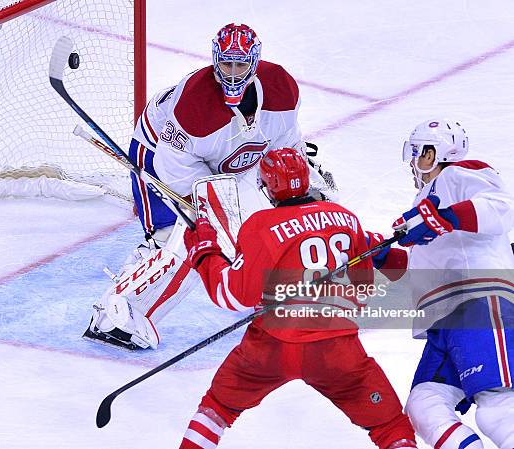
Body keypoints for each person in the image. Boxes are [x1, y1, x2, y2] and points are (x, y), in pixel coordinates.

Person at [83, 23, 337, 350]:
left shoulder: (282, 89)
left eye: (240, 64)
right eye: (226, 64)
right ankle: (120, 315)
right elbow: (173, 168)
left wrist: (291, 183)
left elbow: (285, 141)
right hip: (160, 150)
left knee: (276, 218)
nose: (232, 73)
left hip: (232, 157)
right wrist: (208, 216)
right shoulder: (194, 106)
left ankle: (284, 288)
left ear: (255, 63)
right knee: (185, 238)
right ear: (215, 61)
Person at [178, 148, 417, 449]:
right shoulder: (346, 218)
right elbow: (363, 287)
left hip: (270, 348)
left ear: (266, 187)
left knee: (217, 409)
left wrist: (204, 253)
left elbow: (233, 296)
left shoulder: (261, 225)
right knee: (389, 424)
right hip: (337, 349)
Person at [369, 119, 514, 448]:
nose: (413, 162)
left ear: (432, 154)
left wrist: (444, 217)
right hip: (445, 320)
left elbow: (503, 209)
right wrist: (382, 258)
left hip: (479, 300)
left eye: (417, 152)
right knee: (424, 404)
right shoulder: (426, 205)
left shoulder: (460, 174)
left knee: (499, 407)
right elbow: (431, 266)